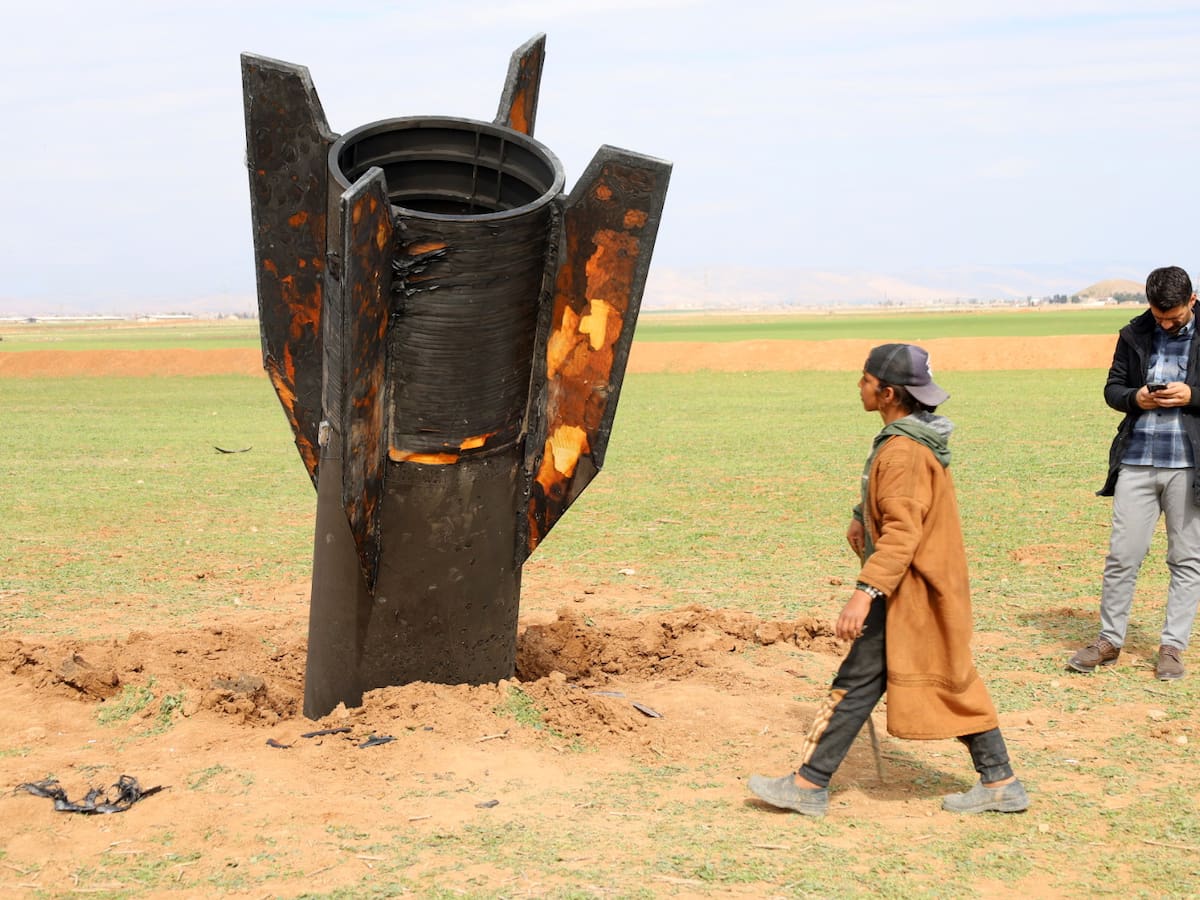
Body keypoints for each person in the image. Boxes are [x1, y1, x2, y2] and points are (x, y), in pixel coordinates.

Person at [747, 343, 1028, 817]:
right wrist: (862, 515)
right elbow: (895, 503)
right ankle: (998, 779)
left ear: (888, 393)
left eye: (865, 380)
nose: (860, 386)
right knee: (878, 682)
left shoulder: (903, 452)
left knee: (901, 680)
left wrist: (864, 593)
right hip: (909, 587)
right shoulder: (907, 442)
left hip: (907, 590)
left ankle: (808, 784)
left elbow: (902, 531)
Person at [1069, 266, 1200, 681]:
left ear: (1192, 301)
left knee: (1186, 559)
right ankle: (1109, 641)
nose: (1165, 323)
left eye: (1173, 317)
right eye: (1159, 316)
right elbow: (1112, 388)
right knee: (1122, 556)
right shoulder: (1133, 334)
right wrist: (1135, 398)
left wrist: (1192, 395)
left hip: (1189, 465)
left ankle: (1172, 648)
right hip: (1137, 461)